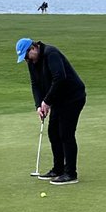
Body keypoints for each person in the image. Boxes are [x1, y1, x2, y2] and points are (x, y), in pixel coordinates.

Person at [15, 37, 86, 184]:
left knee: (66, 133)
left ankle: (71, 174)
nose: (27, 60)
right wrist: (39, 105)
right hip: (58, 99)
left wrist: (46, 101)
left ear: (33, 48)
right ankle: (58, 169)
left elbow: (59, 78)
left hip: (73, 97)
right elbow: (35, 84)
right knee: (53, 133)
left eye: (27, 56)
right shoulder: (32, 62)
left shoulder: (51, 53)